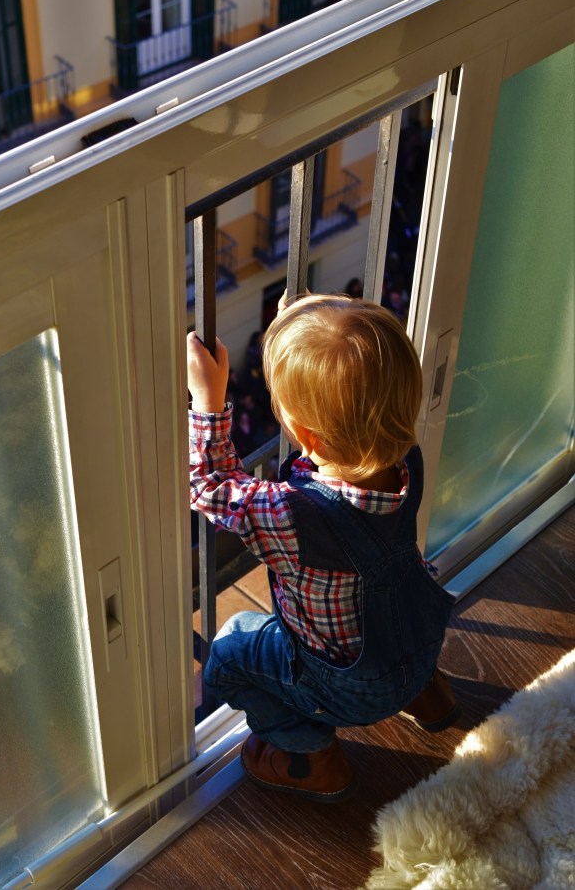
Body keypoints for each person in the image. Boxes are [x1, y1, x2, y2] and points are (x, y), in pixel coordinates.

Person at [187, 294, 459, 802]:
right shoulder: (407, 459)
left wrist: (209, 400)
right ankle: (428, 694)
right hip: (418, 642)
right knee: (390, 600)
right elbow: (364, 367)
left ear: (306, 437)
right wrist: (302, 323)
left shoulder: (293, 517)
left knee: (229, 651)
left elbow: (212, 486)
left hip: (349, 691)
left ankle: (313, 758)